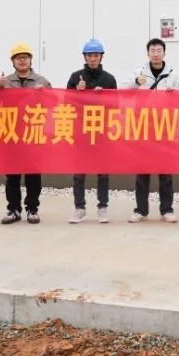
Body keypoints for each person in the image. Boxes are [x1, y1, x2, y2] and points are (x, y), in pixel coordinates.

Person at [121, 38, 179, 223]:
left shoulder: (173, 75)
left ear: (164, 53)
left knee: (165, 171)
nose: (156, 54)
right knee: (142, 170)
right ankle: (141, 210)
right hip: (144, 127)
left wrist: (174, 94)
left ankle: (167, 210)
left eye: (159, 50)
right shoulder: (139, 72)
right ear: (148, 53)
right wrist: (136, 82)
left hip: (165, 127)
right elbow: (123, 91)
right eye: (152, 51)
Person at [0, 42, 52, 225]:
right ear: (13, 61)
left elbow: (54, 104)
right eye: (18, 58)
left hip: (33, 134)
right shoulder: (5, 82)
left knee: (33, 175)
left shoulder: (41, 81)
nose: (22, 60)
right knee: (12, 175)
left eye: (25, 57)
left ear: (30, 60)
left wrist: (44, 94)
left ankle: (32, 209)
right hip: (11, 134)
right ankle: (13, 209)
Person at [67, 38, 118, 224]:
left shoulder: (109, 79)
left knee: (103, 172)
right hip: (81, 132)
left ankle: (102, 207)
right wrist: (77, 91)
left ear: (101, 56)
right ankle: (79, 208)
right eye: (89, 55)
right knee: (79, 172)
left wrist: (104, 97)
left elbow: (115, 106)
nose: (92, 58)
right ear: (84, 57)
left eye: (96, 55)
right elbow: (66, 103)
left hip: (102, 132)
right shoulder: (76, 77)